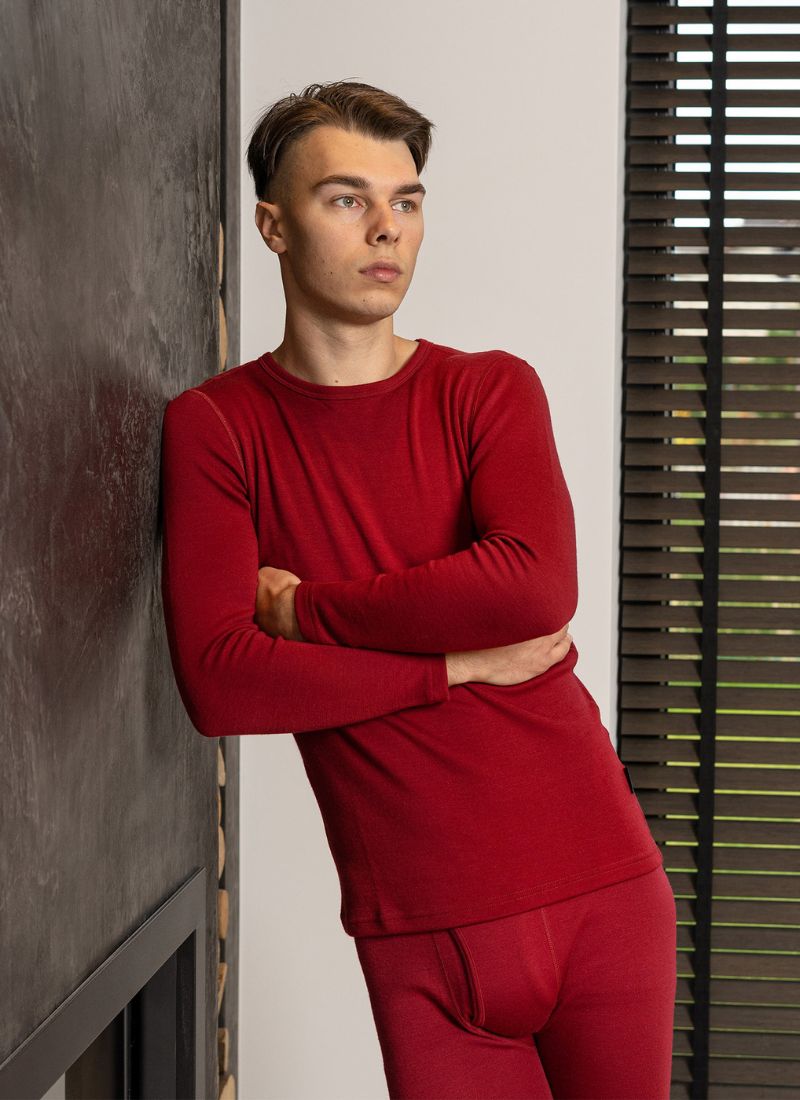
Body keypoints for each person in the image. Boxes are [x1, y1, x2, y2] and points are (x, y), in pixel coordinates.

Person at [160, 79, 677, 1099]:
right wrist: (450, 664)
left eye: (406, 199)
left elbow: (531, 587)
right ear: (272, 224)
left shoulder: (486, 388)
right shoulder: (217, 426)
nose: (385, 227)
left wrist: (306, 613)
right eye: (346, 198)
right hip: (414, 929)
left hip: (599, 889)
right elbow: (223, 681)